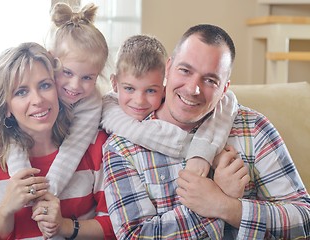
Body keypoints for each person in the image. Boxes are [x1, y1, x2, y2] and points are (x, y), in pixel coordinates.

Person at [102, 24, 310, 239]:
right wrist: (213, 202)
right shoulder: (122, 148)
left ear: (225, 88)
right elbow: (134, 236)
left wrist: (227, 207)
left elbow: (304, 218)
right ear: (169, 68)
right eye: (185, 71)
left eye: (210, 80)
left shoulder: (253, 129)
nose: (193, 89)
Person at [0, 42, 114, 239]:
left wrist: (64, 225)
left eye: (45, 85)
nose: (38, 100)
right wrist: (5, 211)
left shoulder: (96, 145)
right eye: (21, 91)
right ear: (6, 107)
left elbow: (115, 227)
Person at [6, 2, 109, 198]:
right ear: (52, 62)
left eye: (87, 77)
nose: (75, 85)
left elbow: (73, 148)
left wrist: (47, 194)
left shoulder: (91, 102)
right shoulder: (37, 92)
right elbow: (13, 133)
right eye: (67, 72)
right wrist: (25, 186)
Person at [101, 34, 239, 178]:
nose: (139, 101)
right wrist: (204, 153)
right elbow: (138, 132)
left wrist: (203, 151)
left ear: (164, 86)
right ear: (114, 83)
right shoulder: (109, 111)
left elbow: (228, 99)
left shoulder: (175, 99)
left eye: (150, 91)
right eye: (129, 88)